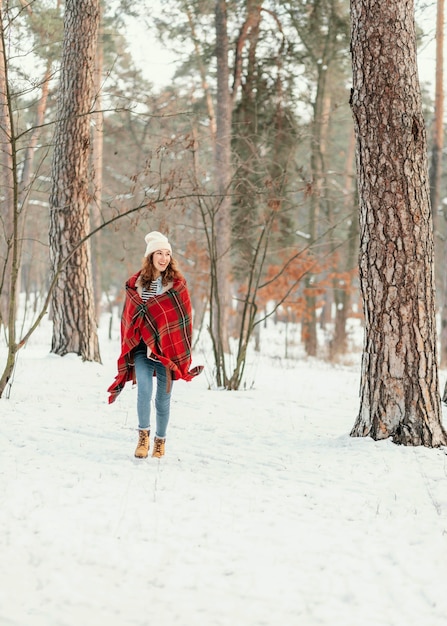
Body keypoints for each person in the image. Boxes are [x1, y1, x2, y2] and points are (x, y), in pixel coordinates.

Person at [108, 231, 203, 459]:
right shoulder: (136, 284)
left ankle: (160, 441)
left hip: (167, 351)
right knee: (144, 391)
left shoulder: (176, 286)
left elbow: (182, 320)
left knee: (163, 399)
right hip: (142, 348)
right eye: (159, 253)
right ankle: (143, 438)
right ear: (150, 256)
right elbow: (130, 318)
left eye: (167, 254)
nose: (164, 258)